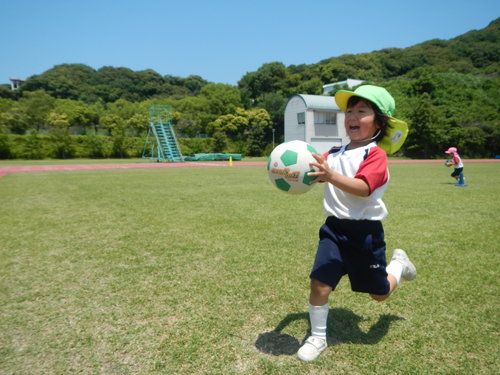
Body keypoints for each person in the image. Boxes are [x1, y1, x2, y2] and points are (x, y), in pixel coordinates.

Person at [296, 85, 416, 362]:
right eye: (349, 111)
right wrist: (294, 171)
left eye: (361, 111)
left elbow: (363, 188)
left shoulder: (375, 155)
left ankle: (399, 264)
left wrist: (329, 175)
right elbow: (313, 170)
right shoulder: (334, 153)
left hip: (365, 235)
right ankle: (317, 338)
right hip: (334, 230)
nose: (352, 116)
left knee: (379, 295)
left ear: (379, 122)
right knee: (319, 284)